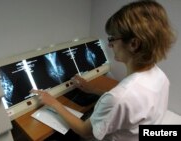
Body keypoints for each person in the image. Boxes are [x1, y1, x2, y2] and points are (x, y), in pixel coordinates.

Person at [31, 1, 176, 140]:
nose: (109, 44)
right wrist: (93, 89)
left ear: (133, 44)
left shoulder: (118, 97)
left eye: (112, 38)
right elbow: (131, 107)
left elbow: (86, 132)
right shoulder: (160, 76)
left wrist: (53, 103)